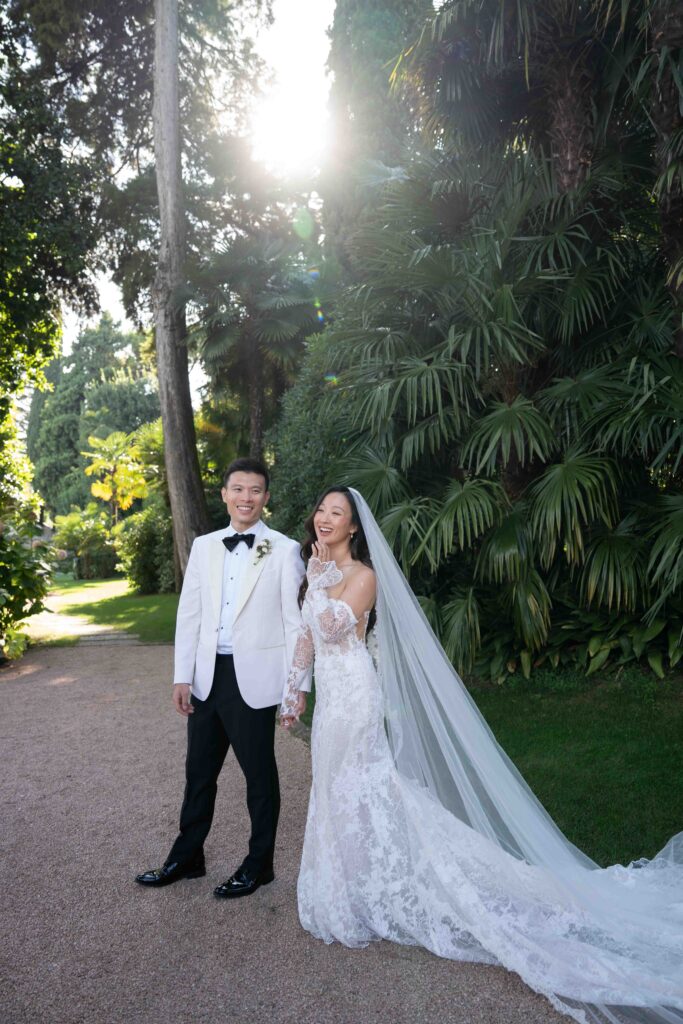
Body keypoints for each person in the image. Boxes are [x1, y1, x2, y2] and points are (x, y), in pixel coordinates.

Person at [280, 485, 683, 1024]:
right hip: (329, 700)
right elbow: (306, 638)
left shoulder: (361, 576)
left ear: (354, 528)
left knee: (360, 784)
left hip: (355, 696)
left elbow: (333, 626)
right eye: (322, 510)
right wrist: (294, 692)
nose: (324, 518)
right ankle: (350, 882)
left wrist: (319, 576)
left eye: (337, 514)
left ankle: (382, 885)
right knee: (333, 788)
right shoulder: (319, 571)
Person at [136, 457, 309, 898]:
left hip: (254, 680)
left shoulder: (285, 549)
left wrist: (297, 687)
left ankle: (259, 864)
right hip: (207, 677)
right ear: (225, 494)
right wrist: (181, 676)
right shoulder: (205, 546)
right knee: (198, 773)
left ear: (266, 498)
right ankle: (188, 856)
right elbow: (189, 614)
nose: (245, 498)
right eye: (238, 489)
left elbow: (294, 624)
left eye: (254, 490)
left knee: (259, 778)